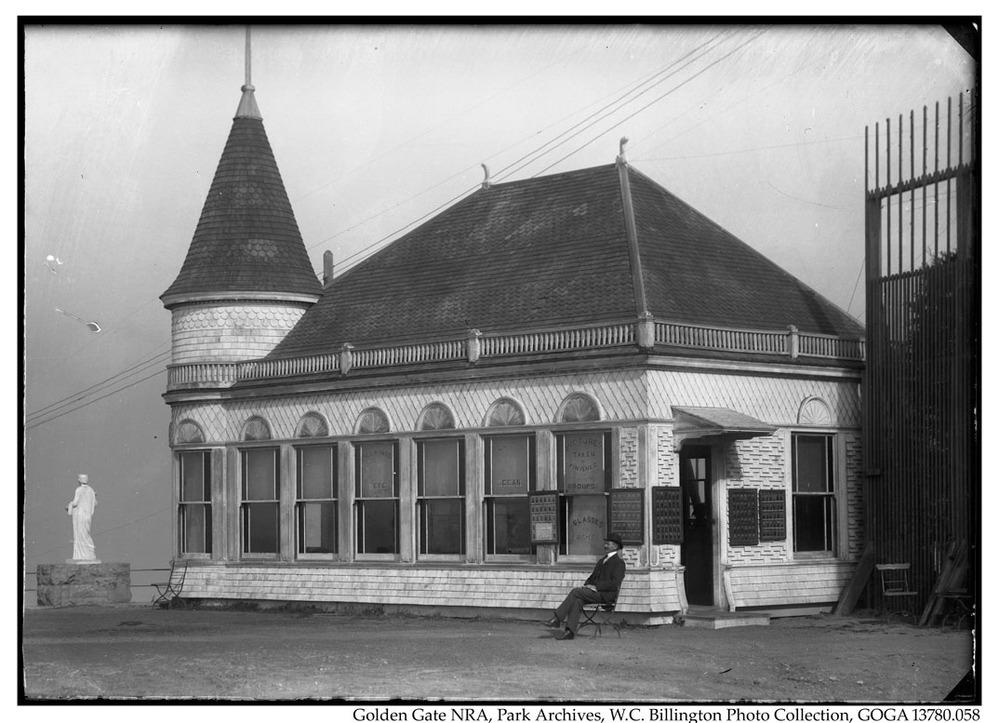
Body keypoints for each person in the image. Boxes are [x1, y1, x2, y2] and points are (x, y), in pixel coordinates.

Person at [544, 532, 626, 640]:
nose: (605, 545)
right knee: (578, 600)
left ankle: (557, 619)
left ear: (615, 546)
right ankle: (570, 632)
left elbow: (615, 583)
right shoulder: (602, 561)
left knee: (575, 592)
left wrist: (596, 587)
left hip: (606, 595)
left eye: (608, 543)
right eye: (605, 543)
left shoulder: (619, 563)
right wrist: (587, 585)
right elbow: (592, 577)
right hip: (595, 593)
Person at [66, 473, 98, 561]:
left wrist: (69, 505)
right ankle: (89, 554)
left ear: (79, 480)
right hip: (88, 515)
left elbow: (75, 503)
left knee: (80, 534)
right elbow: (95, 503)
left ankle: (82, 555)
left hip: (80, 514)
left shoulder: (79, 490)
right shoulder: (91, 490)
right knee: (86, 534)